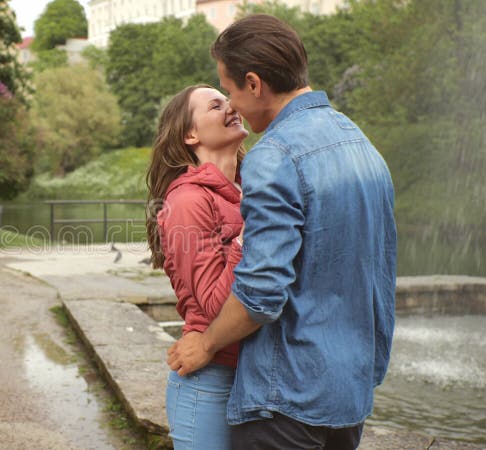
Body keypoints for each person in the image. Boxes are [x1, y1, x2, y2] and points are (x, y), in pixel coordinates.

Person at [166, 14, 397, 450]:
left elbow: (260, 292)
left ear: (254, 84)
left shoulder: (275, 155)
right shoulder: (361, 144)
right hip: (348, 392)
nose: (231, 105)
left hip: (286, 398)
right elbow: (382, 274)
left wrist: (207, 343)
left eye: (230, 91)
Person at [146, 84, 248, 449]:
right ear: (190, 134)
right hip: (211, 382)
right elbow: (214, 305)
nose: (231, 106)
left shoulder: (251, 190)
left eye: (230, 99)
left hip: (256, 376)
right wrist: (247, 238)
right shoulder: (187, 200)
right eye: (215, 105)